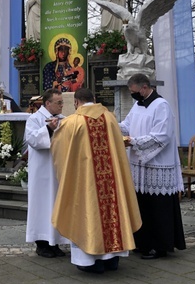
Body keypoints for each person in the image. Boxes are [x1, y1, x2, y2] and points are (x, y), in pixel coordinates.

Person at [51, 88, 142, 273]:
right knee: (113, 213)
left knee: (89, 215)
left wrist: (55, 131)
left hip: (86, 184)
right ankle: (112, 260)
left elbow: (60, 152)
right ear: (94, 99)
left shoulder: (72, 122)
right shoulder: (110, 118)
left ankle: (90, 262)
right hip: (111, 183)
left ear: (76, 102)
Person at [119, 73, 186, 259]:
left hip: (157, 164)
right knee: (142, 205)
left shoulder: (161, 106)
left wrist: (134, 141)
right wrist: (110, 125)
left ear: (144, 87)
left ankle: (160, 245)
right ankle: (143, 243)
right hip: (140, 166)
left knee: (158, 207)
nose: (132, 94)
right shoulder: (138, 104)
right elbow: (126, 125)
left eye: (134, 91)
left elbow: (162, 135)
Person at [25, 88, 69, 258]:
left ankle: (55, 241)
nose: (61, 106)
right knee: (42, 205)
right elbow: (33, 140)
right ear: (48, 103)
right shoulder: (35, 119)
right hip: (42, 171)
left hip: (57, 169)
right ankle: (42, 244)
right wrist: (49, 129)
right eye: (59, 103)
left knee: (56, 204)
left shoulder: (63, 119)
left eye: (62, 102)